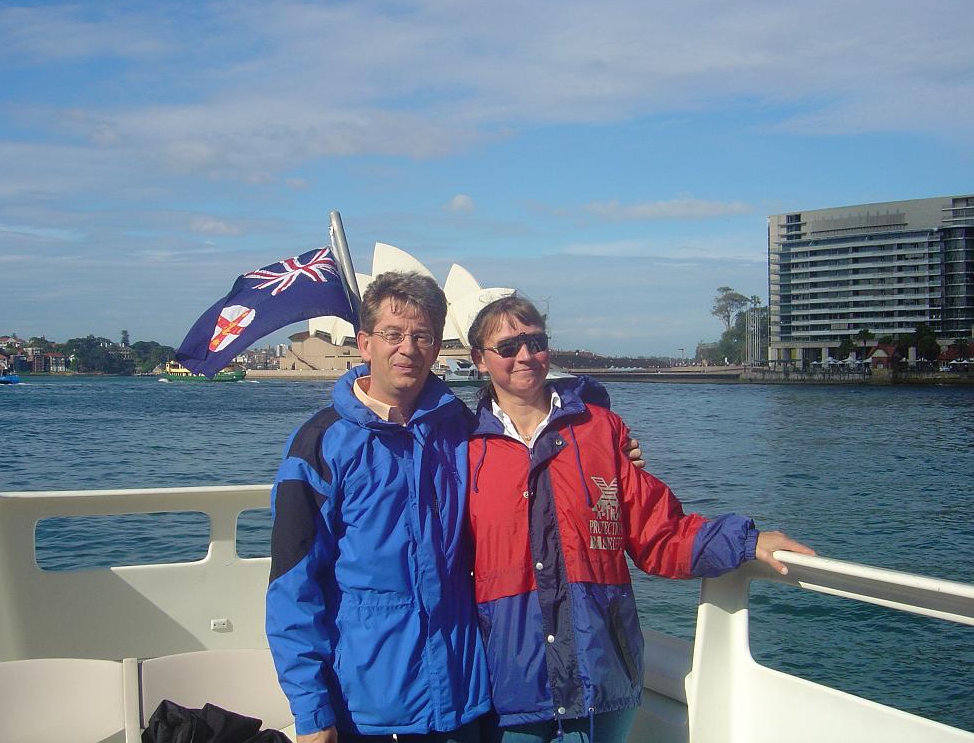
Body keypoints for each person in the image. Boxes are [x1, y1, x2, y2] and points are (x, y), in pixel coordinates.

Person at [266, 272, 644, 743]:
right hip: (371, 706)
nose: (408, 348)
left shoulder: (459, 430)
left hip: (466, 698)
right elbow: (292, 587)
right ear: (364, 344)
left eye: (422, 336)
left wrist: (600, 442)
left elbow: (527, 441)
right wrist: (312, 710)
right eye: (393, 334)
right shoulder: (320, 444)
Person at [465, 296, 815, 743]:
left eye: (536, 341)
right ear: (479, 359)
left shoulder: (600, 431)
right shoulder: (462, 447)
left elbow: (659, 532)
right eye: (509, 346)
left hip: (602, 674)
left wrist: (746, 541)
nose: (526, 356)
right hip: (510, 686)